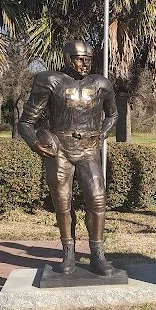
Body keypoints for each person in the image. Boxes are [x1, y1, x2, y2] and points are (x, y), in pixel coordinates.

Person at [19, 40, 118, 276]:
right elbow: (25, 122)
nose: (84, 64)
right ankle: (68, 254)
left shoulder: (101, 84)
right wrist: (35, 142)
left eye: (88, 60)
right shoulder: (49, 81)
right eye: (79, 59)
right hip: (60, 149)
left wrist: (103, 132)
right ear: (66, 58)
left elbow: (113, 114)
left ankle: (97, 254)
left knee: (97, 199)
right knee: (62, 203)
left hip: (89, 148)